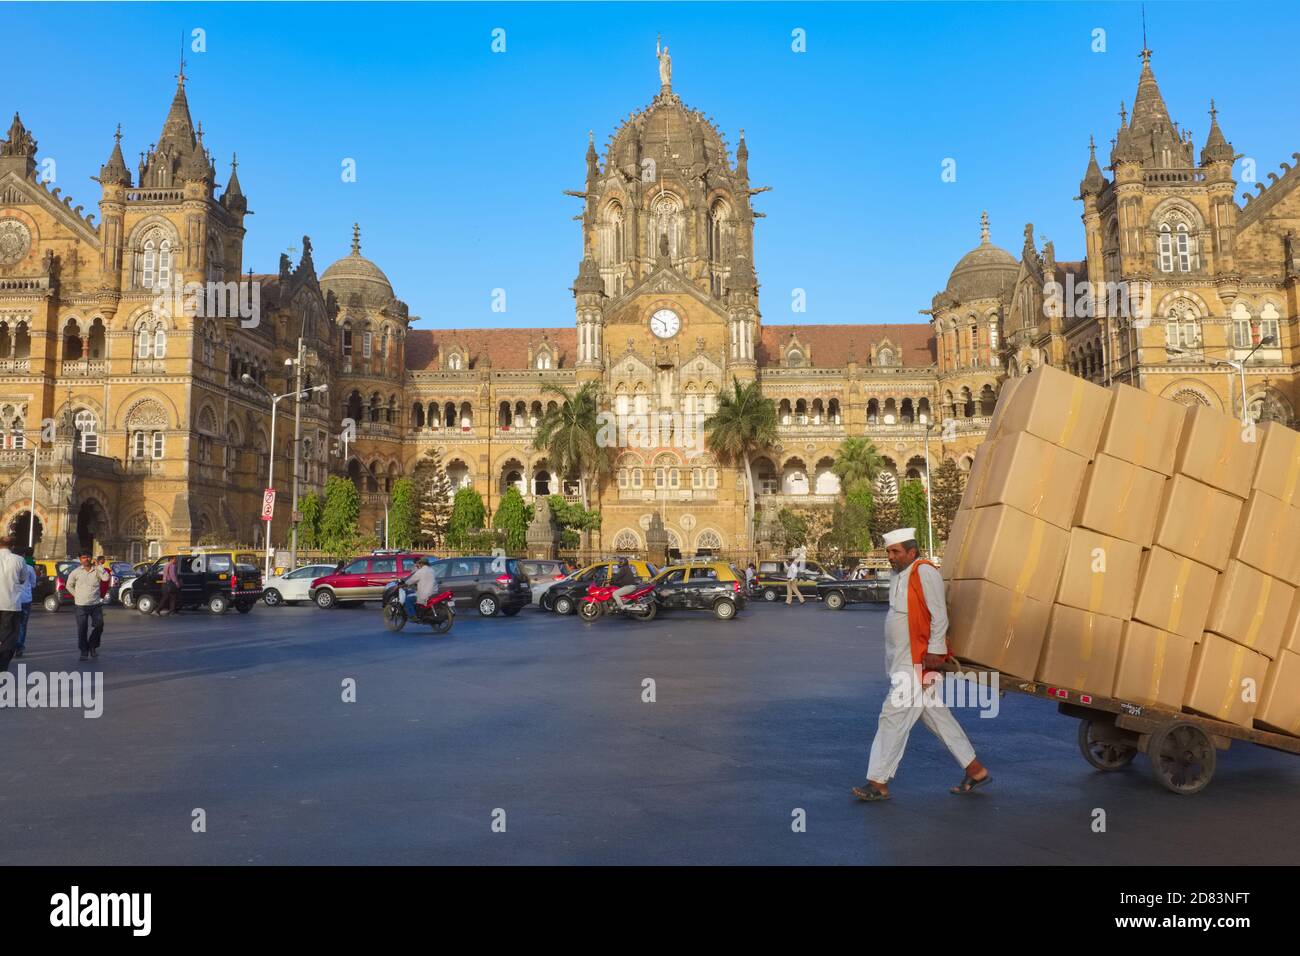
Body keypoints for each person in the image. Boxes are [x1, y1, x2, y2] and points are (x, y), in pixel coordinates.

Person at [852, 528, 990, 802]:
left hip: (917, 663)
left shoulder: (924, 572)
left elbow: (939, 614)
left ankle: (878, 782)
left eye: (896, 552)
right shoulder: (898, 575)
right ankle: (976, 770)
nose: (891, 557)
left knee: (891, 717)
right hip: (903, 661)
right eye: (889, 552)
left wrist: (935, 652)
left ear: (911, 552)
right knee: (938, 718)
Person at [65, 552, 110, 662]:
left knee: (99, 626)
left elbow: (106, 578)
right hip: (81, 605)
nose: (86, 559)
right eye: (83, 558)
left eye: (88, 557)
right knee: (82, 629)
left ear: (91, 559)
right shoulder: (76, 572)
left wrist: (99, 566)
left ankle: (92, 645)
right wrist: (77, 595)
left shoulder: (96, 570)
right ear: (80, 559)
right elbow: (68, 585)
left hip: (95, 604)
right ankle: (84, 651)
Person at [0, 536, 27, 672]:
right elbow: (23, 580)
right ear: (12, 547)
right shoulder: (19, 560)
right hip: (10, 605)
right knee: (9, 638)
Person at [15, 549, 35, 658]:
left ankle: (9, 646)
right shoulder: (30, 568)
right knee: (22, 625)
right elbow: (33, 584)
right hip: (25, 599)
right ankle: (19, 647)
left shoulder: (8, 567)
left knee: (9, 625)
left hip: (11, 600)